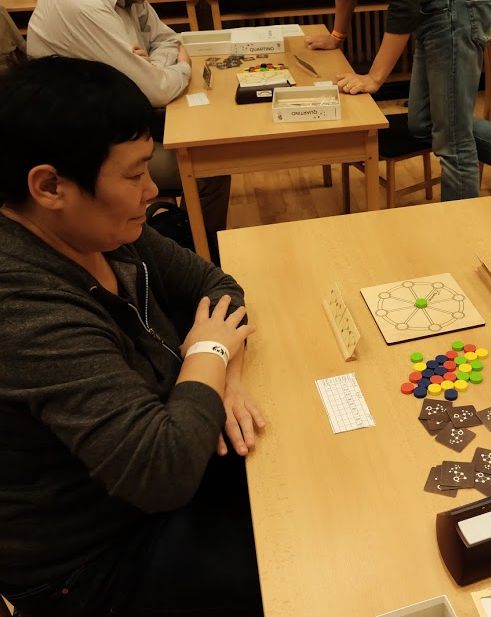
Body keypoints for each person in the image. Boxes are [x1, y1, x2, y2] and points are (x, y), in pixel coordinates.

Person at [0, 56, 265, 616]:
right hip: (97, 560)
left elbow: (219, 287)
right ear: (50, 186)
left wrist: (226, 376)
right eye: (133, 174)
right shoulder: (22, 306)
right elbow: (162, 470)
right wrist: (209, 352)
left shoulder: (102, 230)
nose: (152, 189)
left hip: (172, 461)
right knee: (310, 567)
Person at [26, 0, 230, 264]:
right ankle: (187, 256)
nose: (151, 190)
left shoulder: (130, 3)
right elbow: (155, 90)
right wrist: (179, 68)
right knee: (209, 164)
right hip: (83, 150)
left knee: (208, 149)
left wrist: (149, 68)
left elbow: (169, 41)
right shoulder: (82, 8)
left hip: (120, 126)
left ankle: (185, 252)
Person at [306, 0, 491, 206]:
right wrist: (337, 36)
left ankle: (464, 238)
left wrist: (374, 77)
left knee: (454, 141)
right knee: (423, 122)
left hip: (456, 11)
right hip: (432, 11)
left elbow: (405, 4)